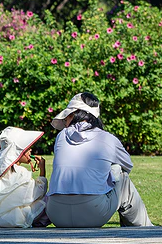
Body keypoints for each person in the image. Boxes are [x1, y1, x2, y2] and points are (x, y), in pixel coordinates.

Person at [46, 92, 153, 228]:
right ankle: (144, 229)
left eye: (66, 117)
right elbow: (127, 165)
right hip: (92, 214)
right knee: (121, 176)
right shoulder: (107, 138)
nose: (65, 122)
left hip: (57, 214)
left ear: (74, 114)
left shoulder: (60, 137)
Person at [0, 126, 51, 228]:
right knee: (48, 200)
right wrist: (42, 171)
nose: (31, 150)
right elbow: (37, 193)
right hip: (16, 218)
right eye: (27, 148)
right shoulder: (21, 172)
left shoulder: (1, 173)